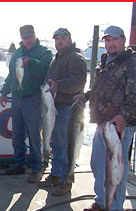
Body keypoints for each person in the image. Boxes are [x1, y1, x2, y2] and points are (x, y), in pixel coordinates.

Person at [74, 26, 136, 211]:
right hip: (102, 123)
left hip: (120, 126)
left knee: (115, 169)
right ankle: (101, 202)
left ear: (123, 40)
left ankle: (115, 210)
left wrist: (123, 117)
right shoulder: (107, 63)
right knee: (97, 164)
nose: (110, 44)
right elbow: (98, 89)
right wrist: (86, 96)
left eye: (114, 39)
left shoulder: (132, 64)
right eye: (107, 40)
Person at [0, 25, 53, 182]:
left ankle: (37, 168)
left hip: (34, 98)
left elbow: (46, 70)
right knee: (17, 135)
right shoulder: (17, 53)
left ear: (35, 36)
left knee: (34, 135)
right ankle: (19, 163)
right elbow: (11, 76)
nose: (28, 40)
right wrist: (4, 92)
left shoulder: (45, 52)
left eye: (30, 37)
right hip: (17, 98)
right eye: (25, 38)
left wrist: (31, 62)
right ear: (21, 39)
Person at [37, 28, 87, 196]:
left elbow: (79, 82)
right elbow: (49, 80)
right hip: (55, 107)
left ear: (69, 39)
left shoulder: (75, 58)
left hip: (68, 108)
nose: (59, 41)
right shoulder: (57, 59)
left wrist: (58, 85)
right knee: (55, 142)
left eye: (62, 38)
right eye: (57, 39)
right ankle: (56, 174)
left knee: (66, 145)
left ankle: (67, 180)